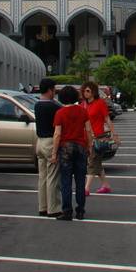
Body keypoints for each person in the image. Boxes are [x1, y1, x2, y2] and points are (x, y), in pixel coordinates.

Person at [52, 85, 93, 221]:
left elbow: (57, 134)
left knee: (66, 181)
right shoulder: (83, 111)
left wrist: (54, 153)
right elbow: (88, 130)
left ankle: (67, 211)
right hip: (80, 147)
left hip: (65, 149)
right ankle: (80, 210)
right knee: (80, 180)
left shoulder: (60, 113)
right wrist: (89, 146)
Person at [81, 81, 119, 196]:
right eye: (84, 91)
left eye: (88, 91)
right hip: (86, 137)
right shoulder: (83, 104)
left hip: (98, 137)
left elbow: (107, 119)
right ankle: (106, 185)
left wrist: (114, 134)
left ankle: (86, 188)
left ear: (93, 92)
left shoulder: (100, 103)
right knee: (97, 163)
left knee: (92, 162)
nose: (85, 93)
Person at [34, 78, 61, 217]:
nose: (55, 92)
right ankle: (53, 208)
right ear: (50, 90)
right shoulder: (54, 107)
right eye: (54, 89)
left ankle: (42, 206)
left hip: (39, 142)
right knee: (52, 177)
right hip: (50, 142)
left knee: (42, 176)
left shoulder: (37, 105)